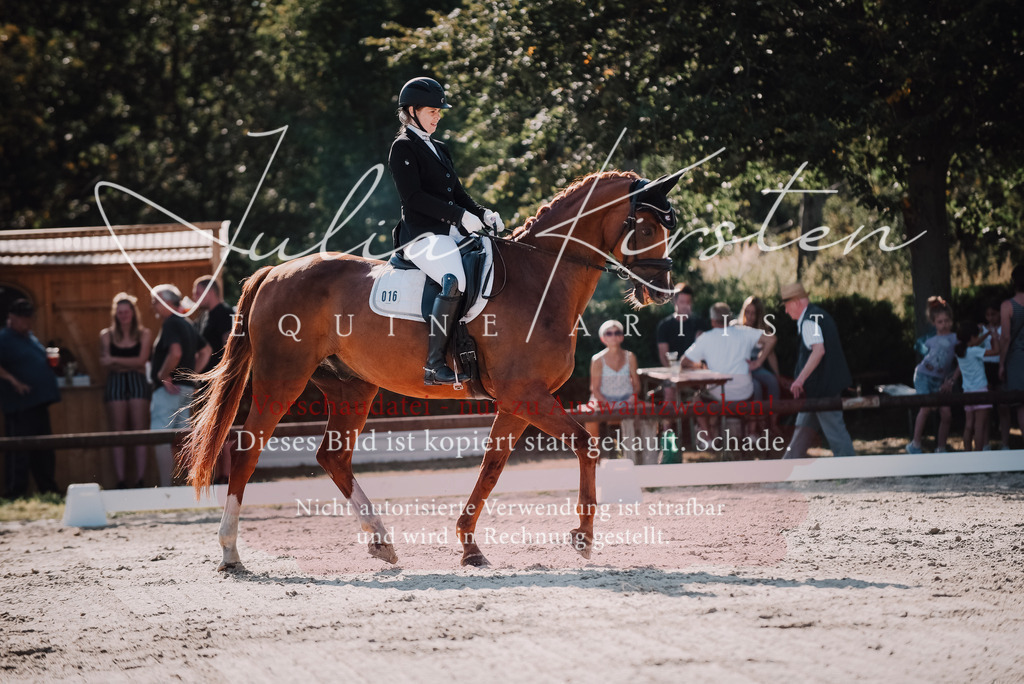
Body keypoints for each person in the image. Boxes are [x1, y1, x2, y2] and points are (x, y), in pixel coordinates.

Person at [388, 76, 504, 385]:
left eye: (439, 112)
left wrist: (483, 213)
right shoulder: (402, 148)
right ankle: (433, 363)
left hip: (451, 233)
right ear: (411, 111)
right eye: (432, 112)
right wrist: (459, 216)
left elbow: (459, 194)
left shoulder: (439, 148)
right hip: (421, 236)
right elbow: (414, 198)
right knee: (454, 280)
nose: (437, 117)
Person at [681, 302, 777, 444]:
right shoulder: (745, 332)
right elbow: (772, 339)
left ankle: (707, 438)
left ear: (713, 321)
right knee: (752, 387)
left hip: (718, 393)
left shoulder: (706, 338)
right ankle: (751, 433)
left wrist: (701, 366)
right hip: (744, 393)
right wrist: (759, 362)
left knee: (696, 399)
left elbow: (684, 362)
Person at [779, 283, 856, 459]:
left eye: (786, 305)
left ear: (796, 302)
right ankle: (786, 467)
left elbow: (818, 351)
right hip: (817, 390)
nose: (785, 311)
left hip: (822, 389)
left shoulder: (808, 322)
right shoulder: (820, 315)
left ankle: (850, 469)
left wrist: (799, 380)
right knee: (801, 430)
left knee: (835, 432)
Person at [150, 284, 210, 487]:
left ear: (168, 303)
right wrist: (192, 375)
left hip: (170, 390)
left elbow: (175, 353)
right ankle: (192, 486)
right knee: (185, 439)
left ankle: (166, 487)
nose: (153, 306)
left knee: (160, 437)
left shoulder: (171, 324)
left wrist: (162, 375)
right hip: (185, 389)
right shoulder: (186, 324)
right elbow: (206, 350)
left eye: (156, 301)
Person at [0, 299, 60, 498]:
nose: (29, 321)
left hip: (38, 402)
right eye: (25, 318)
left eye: (30, 317)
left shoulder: (29, 337)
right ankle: (15, 493)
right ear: (13, 318)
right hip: (19, 404)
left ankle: (47, 489)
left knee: (44, 449)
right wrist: (14, 381)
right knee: (19, 450)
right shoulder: (4, 338)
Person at [582, 320, 656, 462]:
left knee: (654, 411)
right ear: (603, 338)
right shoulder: (597, 359)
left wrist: (632, 397)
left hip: (627, 399)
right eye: (609, 333)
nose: (613, 336)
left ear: (622, 337)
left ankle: (648, 457)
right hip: (604, 401)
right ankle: (593, 460)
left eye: (617, 332)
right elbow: (595, 389)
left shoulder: (630, 357)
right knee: (589, 416)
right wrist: (610, 404)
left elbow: (636, 384)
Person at [99, 293, 152, 489]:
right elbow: (105, 363)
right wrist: (129, 364)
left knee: (139, 430)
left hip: (138, 383)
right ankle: (120, 480)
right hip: (115, 384)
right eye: (120, 312)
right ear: (115, 314)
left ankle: (140, 480)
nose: (123, 315)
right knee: (117, 432)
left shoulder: (144, 334)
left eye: (126, 312)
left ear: (133, 313)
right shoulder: (107, 335)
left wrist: (115, 361)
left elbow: (141, 361)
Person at [192, 276, 235, 483]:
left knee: (223, 427)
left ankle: (225, 476)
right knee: (209, 430)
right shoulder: (203, 317)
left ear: (210, 292)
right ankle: (213, 475)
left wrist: (224, 379)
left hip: (220, 380)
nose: (194, 298)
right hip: (204, 382)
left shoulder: (226, 313)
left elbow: (230, 346)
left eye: (198, 293)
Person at [906, 296, 958, 454]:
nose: (944, 325)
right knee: (926, 406)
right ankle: (915, 444)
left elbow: (961, 363)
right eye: (940, 322)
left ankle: (941, 447)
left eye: (946, 321)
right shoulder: (929, 340)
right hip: (923, 376)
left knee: (946, 414)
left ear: (951, 320)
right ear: (934, 323)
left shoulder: (956, 339)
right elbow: (926, 356)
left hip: (941, 380)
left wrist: (951, 381)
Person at [734, 295, 782, 436]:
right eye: (747, 312)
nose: (749, 316)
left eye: (753, 313)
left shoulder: (763, 331)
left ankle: (773, 424)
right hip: (742, 368)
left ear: (758, 314)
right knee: (755, 387)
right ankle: (754, 428)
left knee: (773, 382)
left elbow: (771, 355)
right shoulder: (736, 328)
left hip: (757, 367)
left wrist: (778, 375)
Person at [954, 321, 995, 452]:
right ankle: (978, 453)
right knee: (979, 426)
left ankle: (967, 452)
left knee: (969, 425)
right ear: (971, 337)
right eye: (977, 336)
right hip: (981, 391)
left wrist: (985, 333)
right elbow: (996, 351)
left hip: (968, 391)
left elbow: (975, 342)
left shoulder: (960, 352)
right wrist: (994, 336)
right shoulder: (974, 351)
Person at [998, 264, 1024, 446]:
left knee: (1021, 405)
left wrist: (1001, 364)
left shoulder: (1008, 306)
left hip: (1017, 359)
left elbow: (1006, 337)